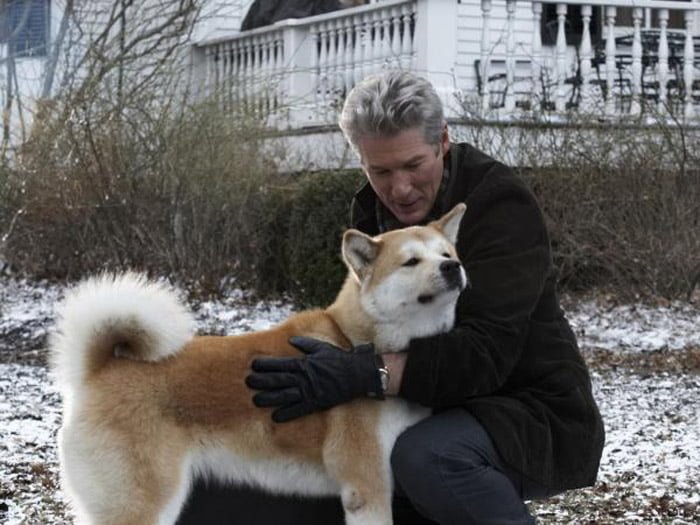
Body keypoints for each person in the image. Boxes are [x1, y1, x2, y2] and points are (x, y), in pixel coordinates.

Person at [245, 70, 605, 524]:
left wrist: (365, 373)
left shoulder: (499, 204)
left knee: (425, 456)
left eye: (414, 165)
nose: (399, 188)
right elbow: (367, 321)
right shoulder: (374, 213)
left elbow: (486, 353)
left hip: (529, 409)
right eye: (380, 171)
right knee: (329, 456)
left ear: (444, 141)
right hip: (424, 397)